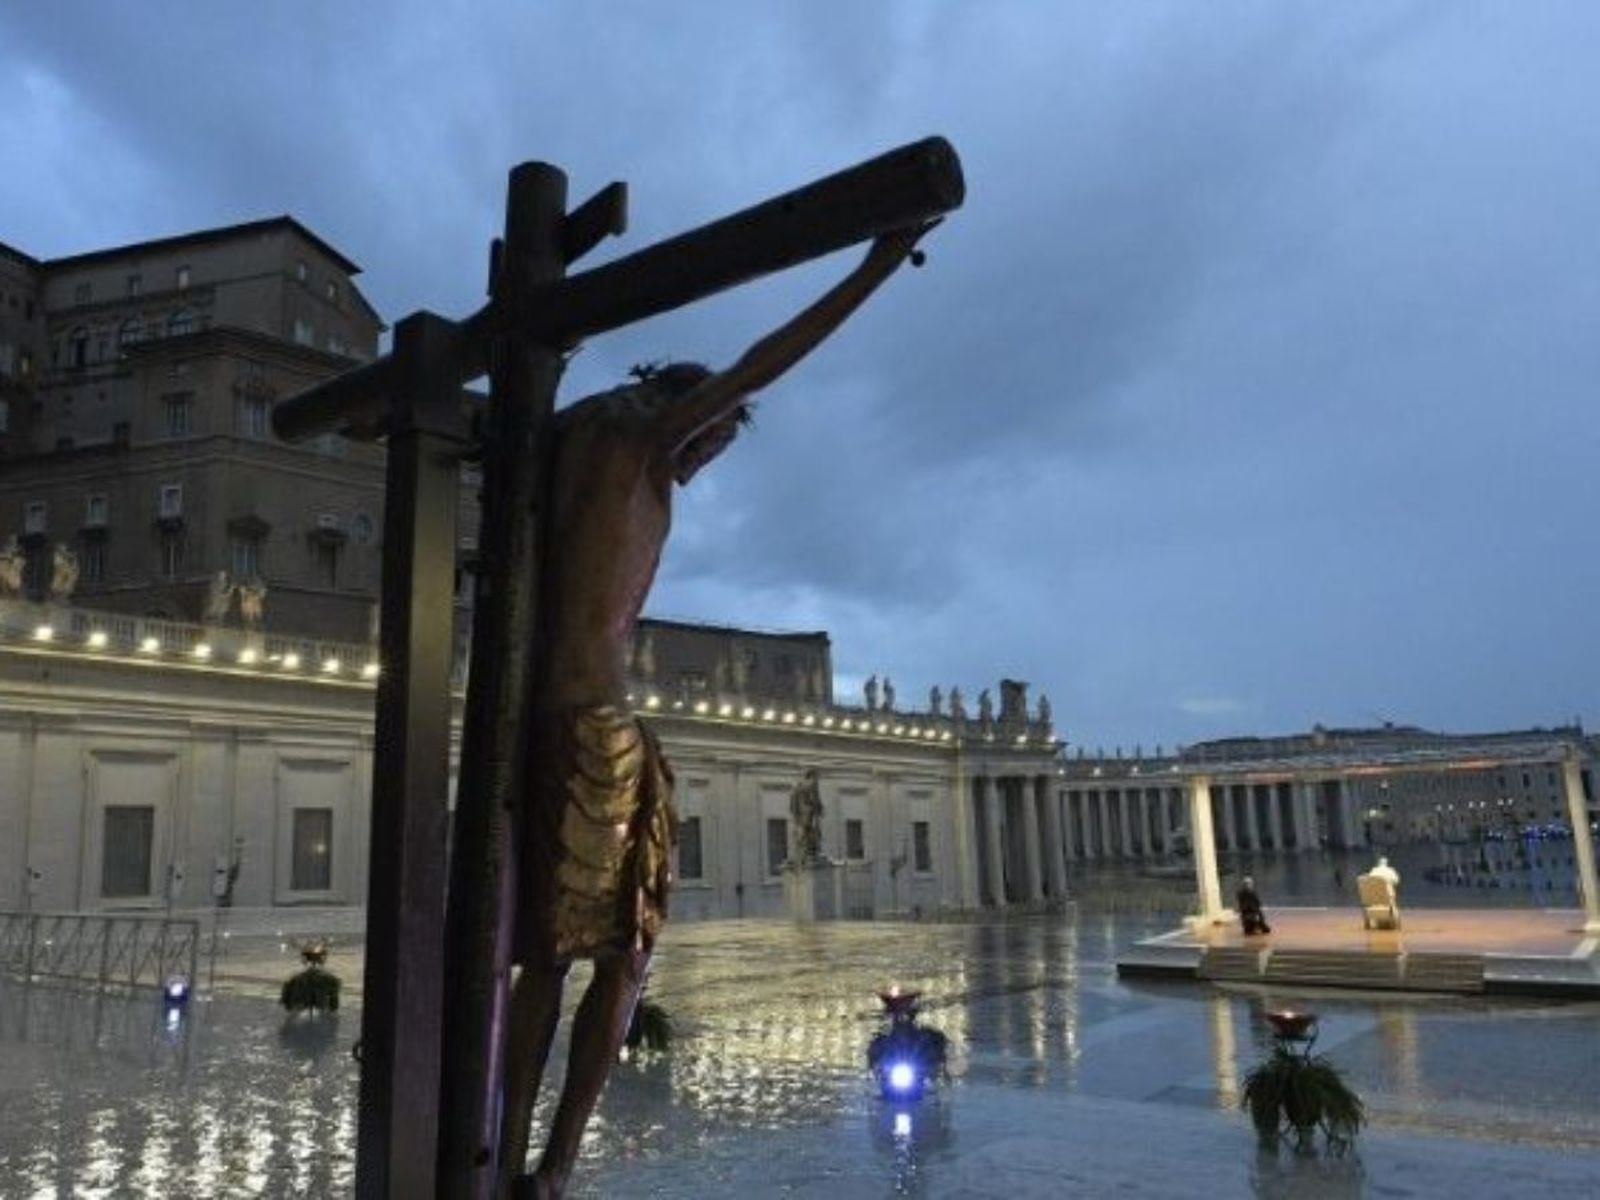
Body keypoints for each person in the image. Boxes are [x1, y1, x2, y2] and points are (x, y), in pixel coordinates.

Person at [500, 222, 934, 1198]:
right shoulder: (636, 437)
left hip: (540, 722)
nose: (703, 461)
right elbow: (763, 360)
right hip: (593, 729)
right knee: (619, 957)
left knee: (547, 957)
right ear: (688, 412)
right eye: (713, 438)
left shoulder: (562, 434)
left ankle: (502, 1146)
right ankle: (554, 1165)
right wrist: (871, 263)